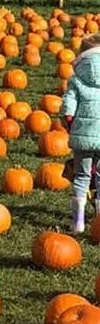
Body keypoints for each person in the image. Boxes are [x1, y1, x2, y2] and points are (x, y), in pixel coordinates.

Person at [61, 33, 100, 233]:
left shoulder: (77, 80)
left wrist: (69, 121)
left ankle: (78, 221)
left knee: (81, 176)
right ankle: (98, 219)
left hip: (82, 137)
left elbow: (68, 105)